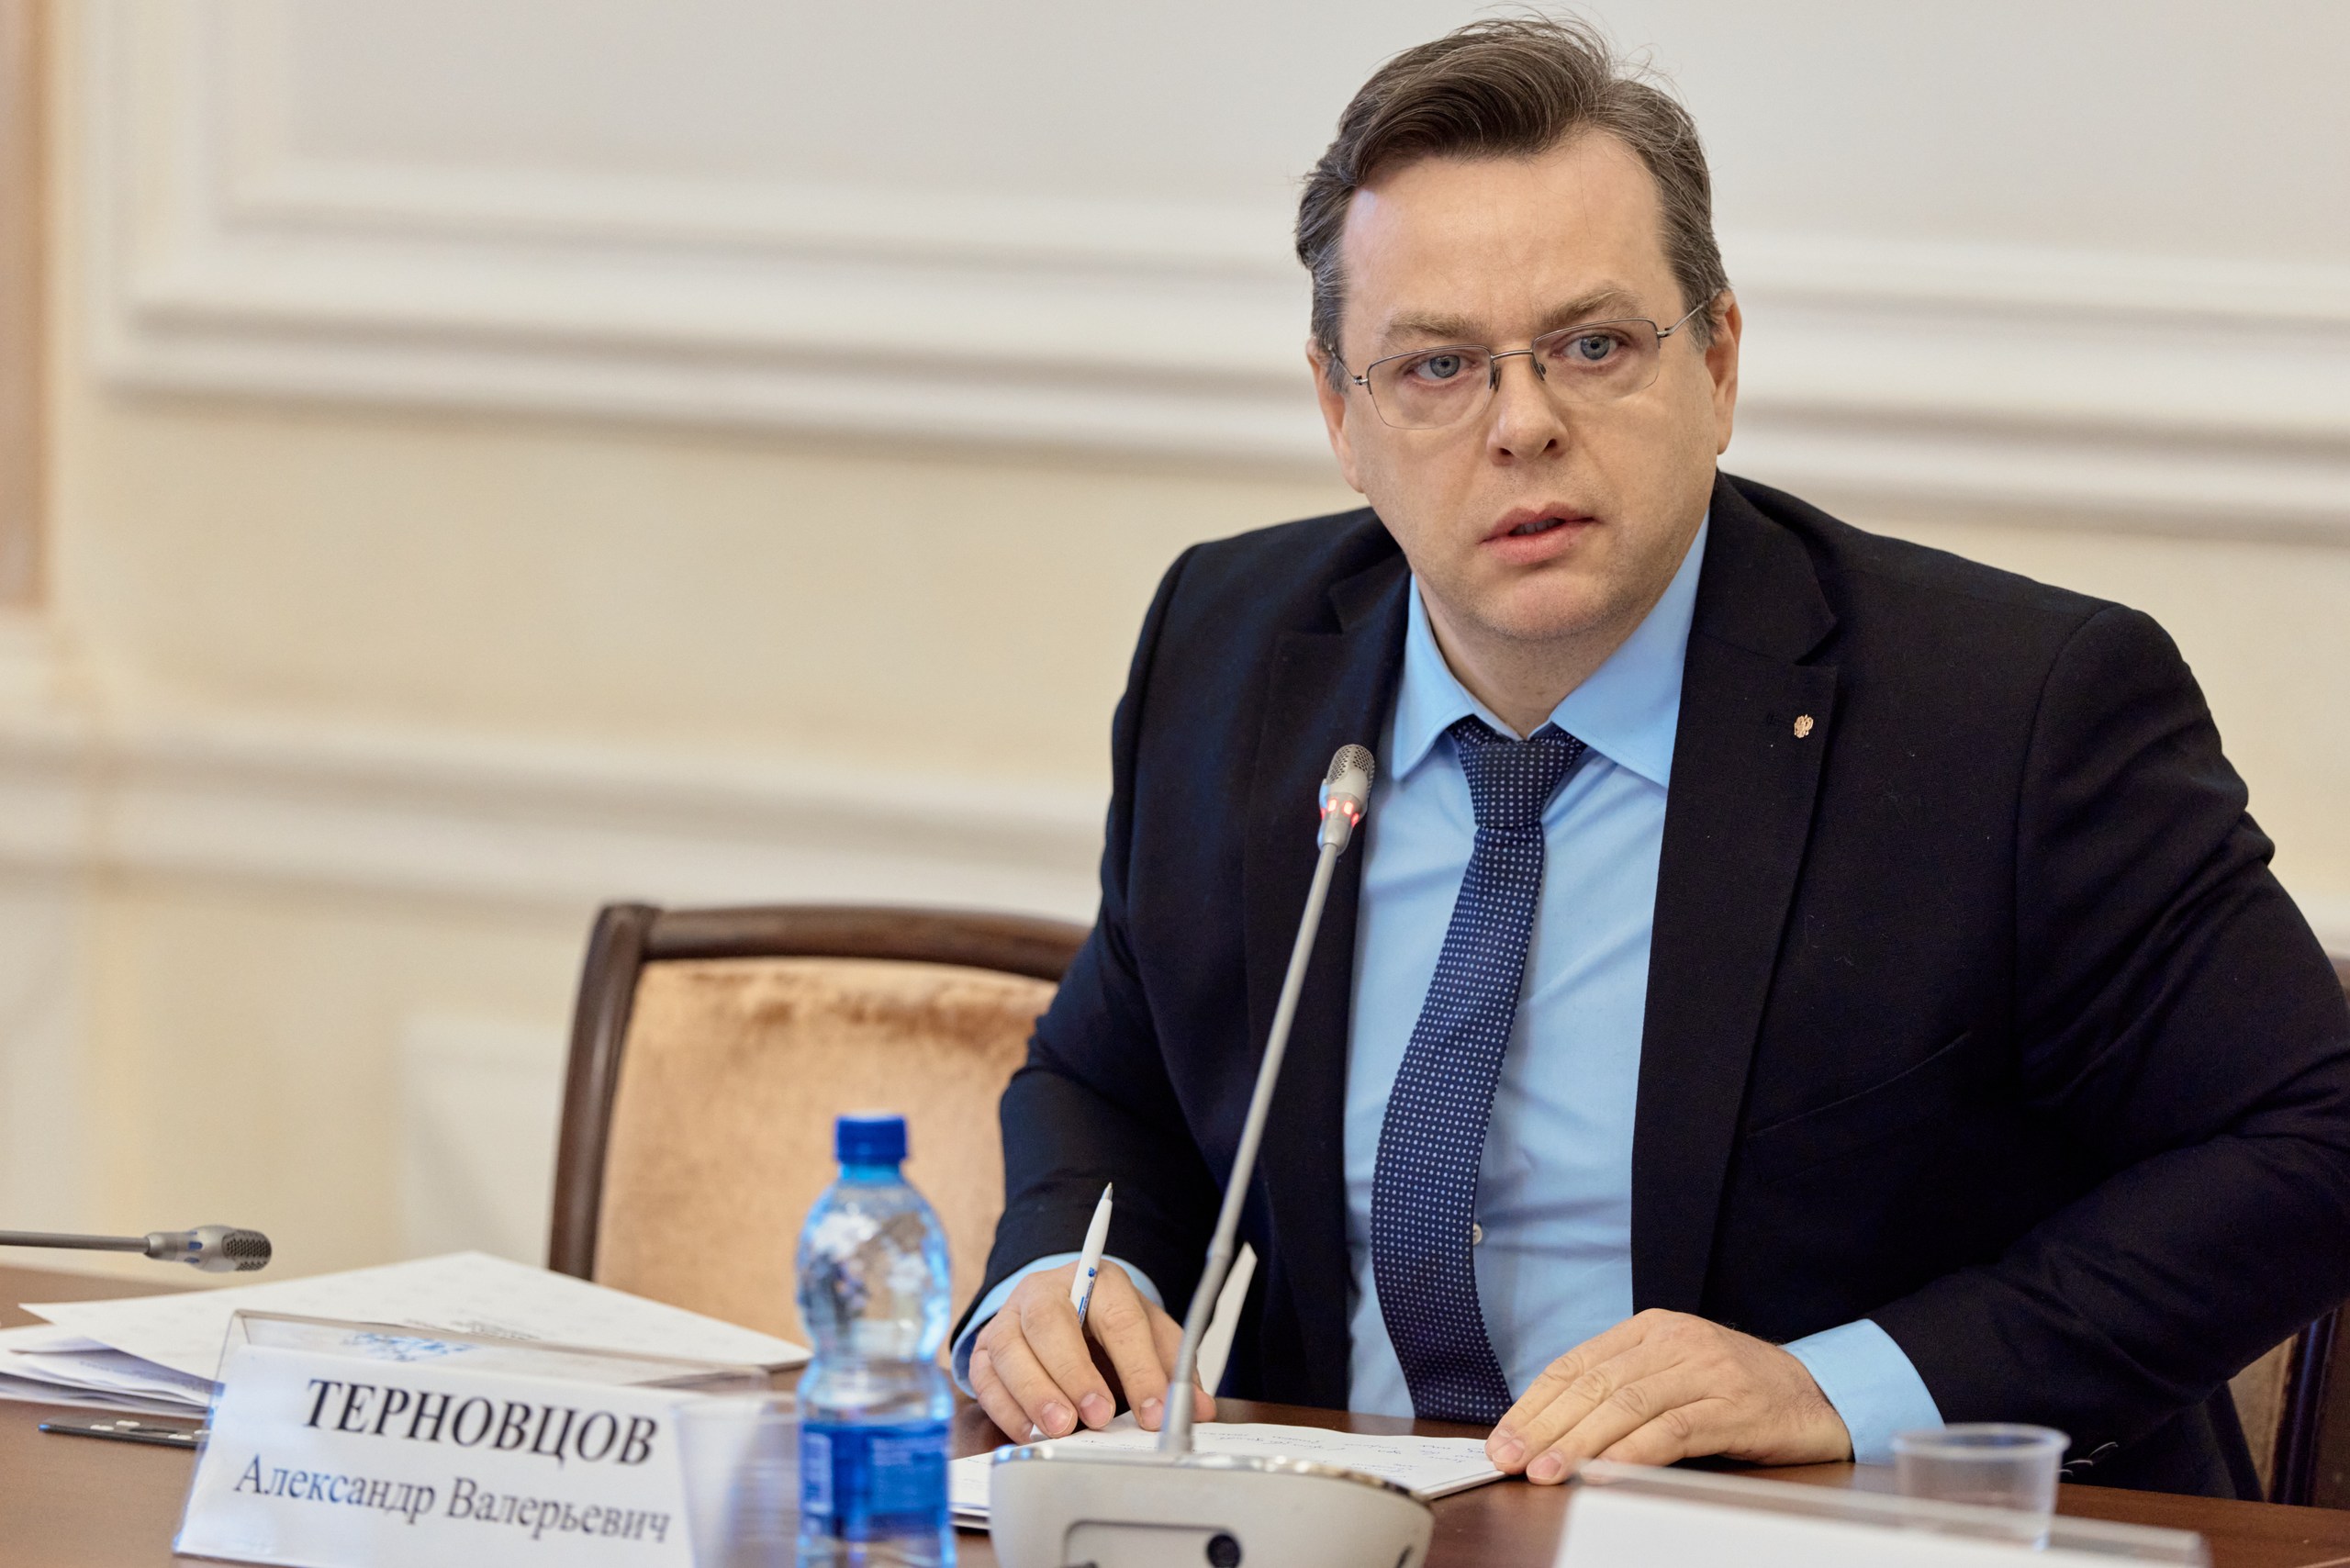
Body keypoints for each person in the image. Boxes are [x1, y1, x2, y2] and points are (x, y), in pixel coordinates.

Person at [950, 16, 2350, 1498]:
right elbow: (1108, 1080)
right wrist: (1063, 1280)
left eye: (1594, 346)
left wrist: (1836, 1385)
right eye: (1437, 367)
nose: (1524, 426)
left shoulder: (2011, 714)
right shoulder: (1229, 649)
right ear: (1341, 415)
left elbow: (2316, 1138)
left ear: (1720, 361)